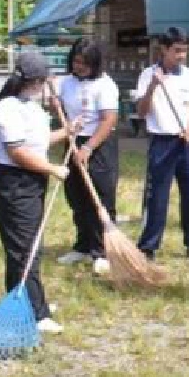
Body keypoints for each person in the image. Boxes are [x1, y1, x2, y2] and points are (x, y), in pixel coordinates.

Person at [0, 50, 72, 334]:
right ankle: (36, 313)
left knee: (31, 244)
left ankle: (26, 298)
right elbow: (18, 152)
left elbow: (39, 141)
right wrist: (52, 169)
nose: (45, 85)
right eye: (42, 80)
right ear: (33, 80)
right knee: (25, 248)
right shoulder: (6, 108)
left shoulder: (31, 106)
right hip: (13, 182)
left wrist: (69, 130)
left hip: (32, 181)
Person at [135, 27, 189, 261]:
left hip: (186, 143)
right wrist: (153, 87)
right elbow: (142, 112)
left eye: (184, 51)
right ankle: (149, 246)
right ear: (164, 49)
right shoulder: (148, 75)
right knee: (158, 196)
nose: (181, 56)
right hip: (161, 142)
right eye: (177, 51)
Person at [56, 39, 120, 275]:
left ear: (95, 64)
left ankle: (102, 250)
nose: (78, 66)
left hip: (98, 144)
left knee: (100, 197)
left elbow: (109, 120)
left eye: (84, 63)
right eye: (75, 61)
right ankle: (82, 245)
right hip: (73, 141)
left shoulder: (105, 85)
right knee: (76, 196)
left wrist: (89, 148)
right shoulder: (66, 83)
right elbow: (62, 109)